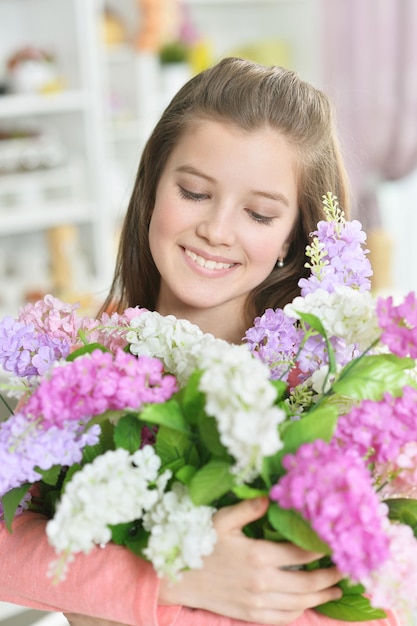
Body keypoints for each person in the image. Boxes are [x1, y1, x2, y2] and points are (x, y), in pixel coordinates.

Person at [0, 57, 398, 626]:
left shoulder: (326, 399)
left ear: (292, 239)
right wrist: (170, 577)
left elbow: (373, 609)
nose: (217, 229)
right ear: (152, 193)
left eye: (259, 214)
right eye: (193, 192)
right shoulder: (77, 367)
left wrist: (107, 592)